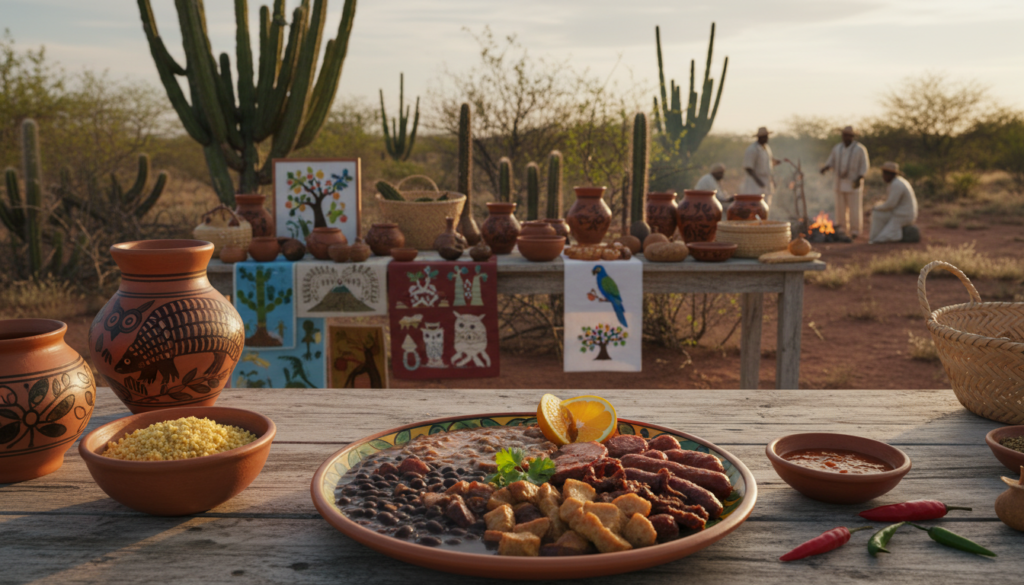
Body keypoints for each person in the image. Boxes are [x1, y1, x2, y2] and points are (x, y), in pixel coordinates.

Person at [820, 125, 870, 239]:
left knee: (854, 209)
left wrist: (860, 177)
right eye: (844, 135)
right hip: (839, 182)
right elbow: (830, 162)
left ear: (852, 136)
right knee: (840, 209)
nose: (845, 137)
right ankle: (841, 229)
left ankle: (855, 231)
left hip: (853, 183)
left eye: (848, 135)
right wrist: (825, 168)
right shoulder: (837, 148)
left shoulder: (860, 149)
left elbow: (864, 166)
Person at [869, 161, 918, 244]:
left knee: (883, 238)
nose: (883, 176)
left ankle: (877, 238)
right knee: (877, 213)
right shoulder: (895, 182)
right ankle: (874, 237)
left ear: (890, 174)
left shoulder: (897, 184)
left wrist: (875, 207)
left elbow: (890, 205)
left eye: (885, 173)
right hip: (899, 213)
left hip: (903, 215)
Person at [742, 127, 781, 209]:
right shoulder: (752, 149)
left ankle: (764, 221)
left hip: (766, 180)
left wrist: (775, 162)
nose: (767, 138)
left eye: (767, 136)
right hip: (755, 183)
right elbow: (748, 168)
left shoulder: (766, 148)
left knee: (766, 205)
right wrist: (759, 181)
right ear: (759, 137)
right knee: (755, 205)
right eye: (765, 136)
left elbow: (768, 163)